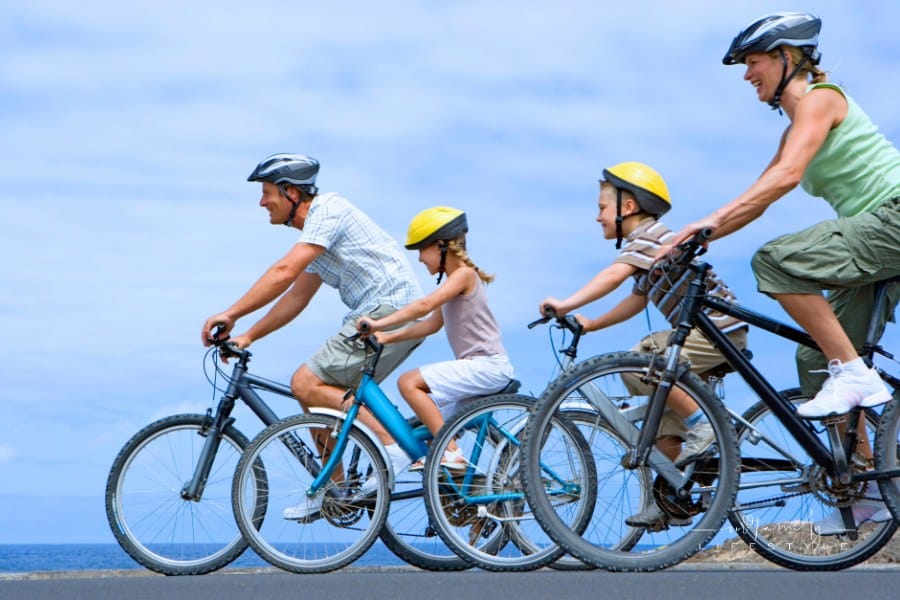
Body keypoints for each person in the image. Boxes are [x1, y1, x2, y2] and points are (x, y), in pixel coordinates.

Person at [663, 12, 900, 534]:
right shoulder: (795, 128)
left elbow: (789, 176)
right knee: (815, 358)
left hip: (893, 217)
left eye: (753, 62)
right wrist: (697, 236)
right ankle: (870, 489)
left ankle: (855, 374)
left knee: (775, 260)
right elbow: (761, 195)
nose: (748, 74)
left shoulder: (821, 99)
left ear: (788, 57)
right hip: (876, 234)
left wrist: (711, 221)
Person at [201, 153, 424, 521]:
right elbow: (296, 297)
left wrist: (232, 313)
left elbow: (284, 271)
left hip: (387, 311)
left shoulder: (328, 210)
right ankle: (335, 491)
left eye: (267, 193)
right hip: (385, 315)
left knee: (306, 382)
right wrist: (248, 335)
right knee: (316, 396)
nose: (261, 202)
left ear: (291, 193)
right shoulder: (317, 237)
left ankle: (393, 448)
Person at [539, 161, 748, 530]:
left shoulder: (651, 238)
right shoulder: (649, 247)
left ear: (629, 207)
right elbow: (637, 300)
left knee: (643, 361)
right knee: (664, 422)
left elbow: (613, 275)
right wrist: (592, 324)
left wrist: (567, 303)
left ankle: (704, 426)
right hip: (702, 335)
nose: (597, 217)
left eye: (602, 208)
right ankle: (667, 499)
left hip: (717, 333)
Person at [357, 206, 515, 471]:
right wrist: (386, 337)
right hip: (479, 367)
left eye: (422, 249)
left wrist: (377, 323)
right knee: (430, 430)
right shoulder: (454, 281)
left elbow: (425, 305)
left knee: (408, 382)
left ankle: (451, 453)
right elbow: (430, 325)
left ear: (442, 246)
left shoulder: (463, 275)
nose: (420, 258)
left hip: (487, 366)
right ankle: (456, 484)